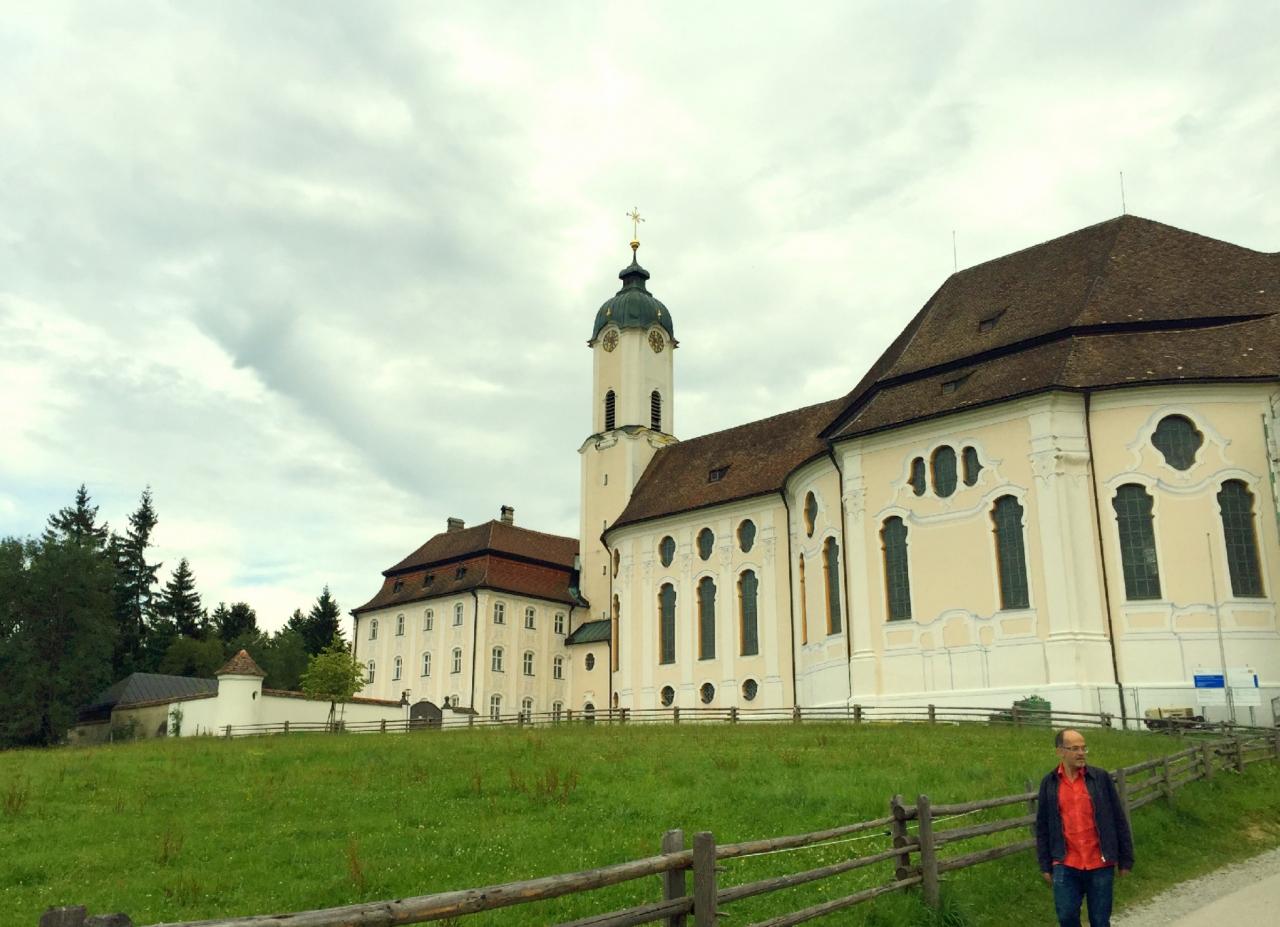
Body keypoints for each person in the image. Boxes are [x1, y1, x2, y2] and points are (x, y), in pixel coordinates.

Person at [1034, 729, 1134, 927]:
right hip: (1065, 863)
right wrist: (1045, 864)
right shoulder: (1049, 783)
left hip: (1099, 863)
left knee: (1100, 920)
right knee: (1066, 917)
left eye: (1083, 748)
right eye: (1075, 749)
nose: (1081, 753)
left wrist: (1126, 858)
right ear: (1060, 751)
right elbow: (1043, 826)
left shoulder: (1100, 778)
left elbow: (1118, 818)